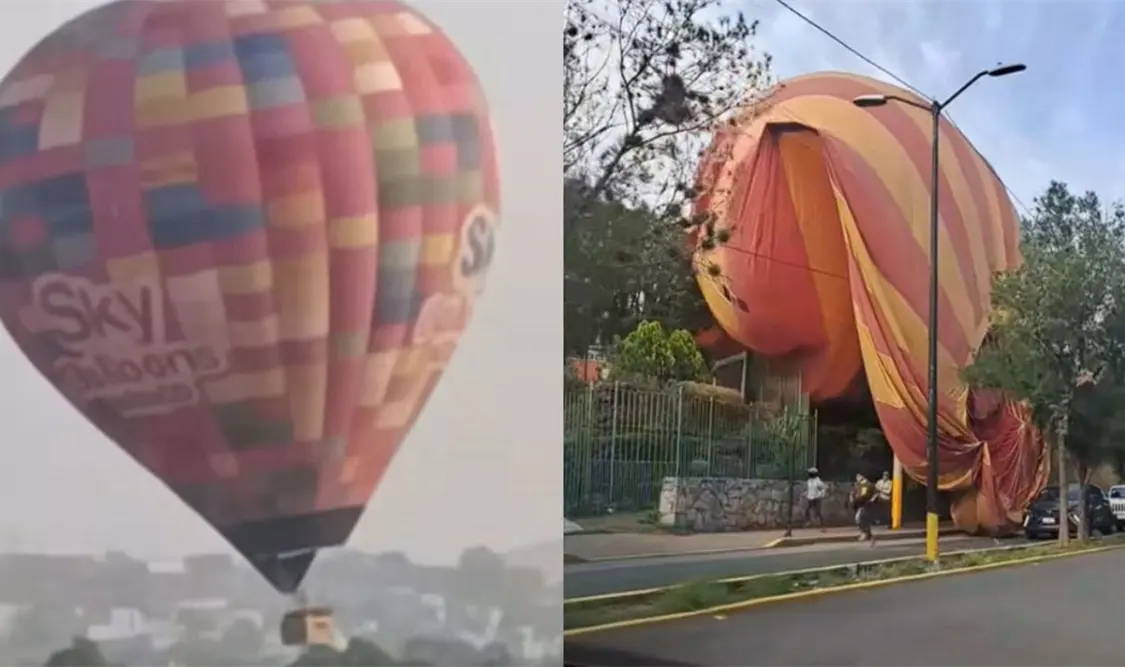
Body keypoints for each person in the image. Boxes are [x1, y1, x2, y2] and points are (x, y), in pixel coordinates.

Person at [851, 473, 877, 545]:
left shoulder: (869, 485)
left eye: (859, 476)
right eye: (857, 477)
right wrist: (852, 498)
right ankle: (870, 538)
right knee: (863, 521)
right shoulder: (857, 485)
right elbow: (854, 493)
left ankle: (864, 533)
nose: (857, 478)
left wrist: (872, 499)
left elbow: (875, 493)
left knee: (859, 518)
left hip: (866, 504)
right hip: (858, 504)